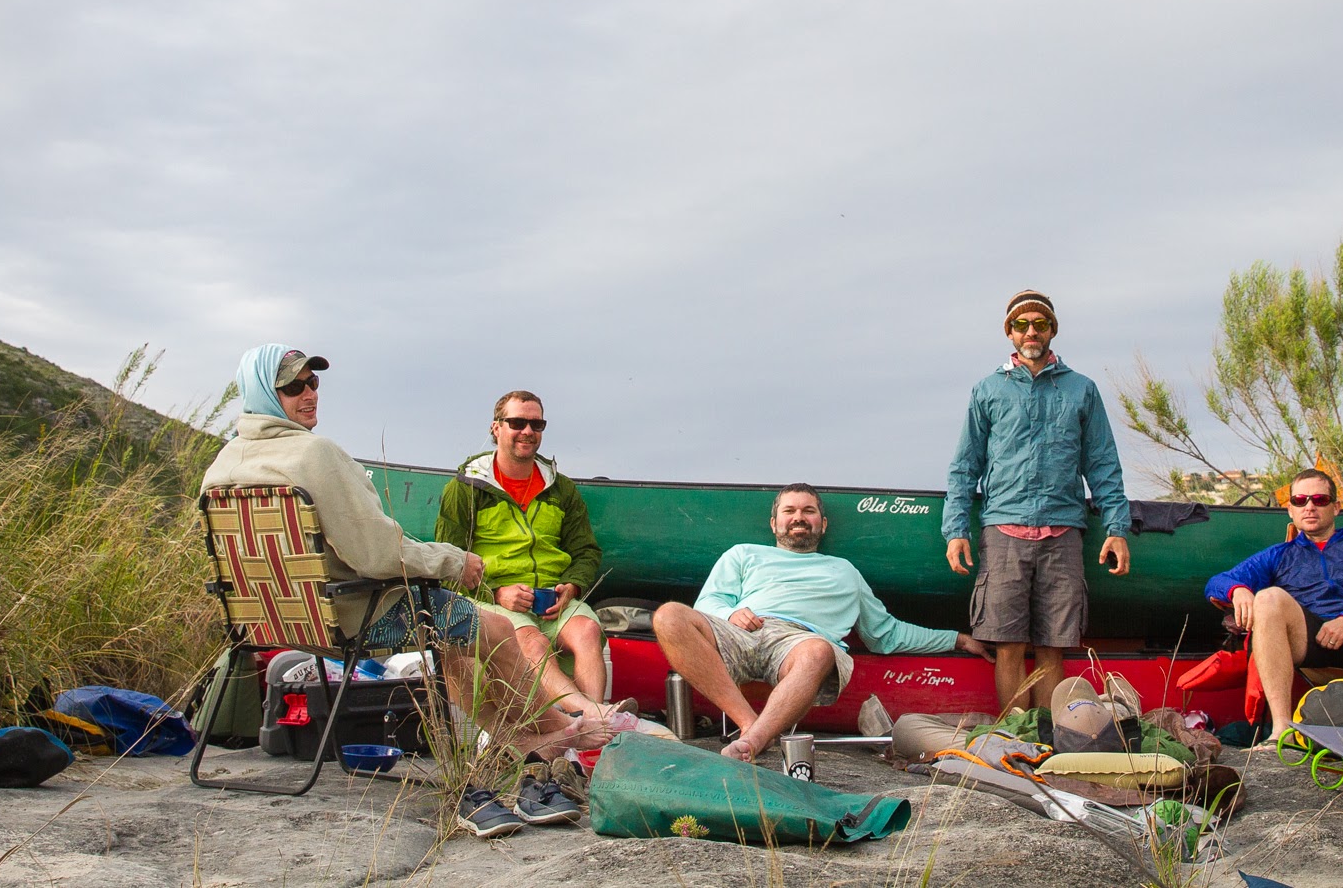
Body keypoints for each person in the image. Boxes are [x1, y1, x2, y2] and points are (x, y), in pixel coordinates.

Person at [201, 345, 585, 837]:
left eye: (313, 383)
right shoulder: (315, 455)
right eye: (295, 387)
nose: (310, 394)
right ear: (264, 394)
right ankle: (550, 749)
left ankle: (541, 744)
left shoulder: (222, 466)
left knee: (461, 634)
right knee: (492, 627)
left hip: (266, 622)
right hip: (352, 615)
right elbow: (379, 555)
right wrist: (454, 560)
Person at [654, 485, 990, 762]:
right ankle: (750, 724)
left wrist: (957, 639)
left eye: (808, 511)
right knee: (669, 615)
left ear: (823, 524)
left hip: (799, 644)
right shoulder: (743, 554)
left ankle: (752, 743)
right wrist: (729, 614)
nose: (798, 517)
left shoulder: (844, 570)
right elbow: (706, 604)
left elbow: (886, 634)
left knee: (817, 651)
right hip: (742, 631)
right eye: (789, 511)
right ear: (774, 523)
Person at [943, 290, 1132, 710]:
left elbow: (1103, 464)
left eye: (1040, 324)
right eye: (1022, 325)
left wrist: (1117, 528)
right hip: (1003, 530)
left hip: (1063, 532)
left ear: (1053, 330)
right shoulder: (988, 390)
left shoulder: (1082, 389)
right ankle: (1015, 738)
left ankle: (1049, 740)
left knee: (1053, 646)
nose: (1031, 332)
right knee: (1008, 644)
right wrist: (956, 530)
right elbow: (964, 466)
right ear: (1009, 333)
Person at [436, 390, 616, 721]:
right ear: (496, 429)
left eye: (536, 424)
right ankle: (595, 718)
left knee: (588, 632)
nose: (528, 431)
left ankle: (588, 736)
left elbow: (586, 552)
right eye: (517, 422)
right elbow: (448, 563)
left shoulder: (561, 488)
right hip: (494, 598)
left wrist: (572, 587)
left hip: (552, 597)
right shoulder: (465, 488)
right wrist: (495, 593)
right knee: (532, 644)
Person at [1202, 467, 1343, 742]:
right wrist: (1238, 589)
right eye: (1300, 501)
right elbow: (1216, 582)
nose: (1310, 507)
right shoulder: (1280, 554)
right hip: (1305, 639)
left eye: (1320, 500)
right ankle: (1282, 730)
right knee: (1268, 597)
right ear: (1291, 510)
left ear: (1336, 507)